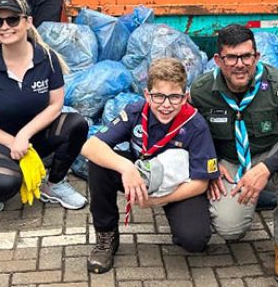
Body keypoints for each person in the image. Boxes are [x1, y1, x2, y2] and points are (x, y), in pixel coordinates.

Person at [188, 24, 278, 283]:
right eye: (231, 57)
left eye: (246, 56)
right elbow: (189, 133)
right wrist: (209, 162)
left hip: (271, 155)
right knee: (230, 228)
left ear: (257, 56)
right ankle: (258, 197)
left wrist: (265, 169)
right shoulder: (200, 90)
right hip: (228, 159)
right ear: (219, 60)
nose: (240, 64)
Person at [82, 58, 220, 273]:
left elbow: (201, 183)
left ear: (185, 97)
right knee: (99, 164)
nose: (166, 105)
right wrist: (126, 168)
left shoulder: (195, 124)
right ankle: (106, 235)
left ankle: (181, 218)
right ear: (147, 95)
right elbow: (90, 146)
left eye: (174, 97)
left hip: (177, 186)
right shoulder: (137, 111)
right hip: (141, 175)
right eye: (158, 96)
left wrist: (158, 201)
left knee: (194, 240)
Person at [0, 0, 88, 213]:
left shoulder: (47, 59)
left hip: (31, 137)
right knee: (0, 186)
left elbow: (55, 105)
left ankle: (54, 183)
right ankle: (1, 178)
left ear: (28, 22)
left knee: (77, 124)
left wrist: (24, 136)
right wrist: (11, 141)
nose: (4, 26)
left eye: (12, 19)